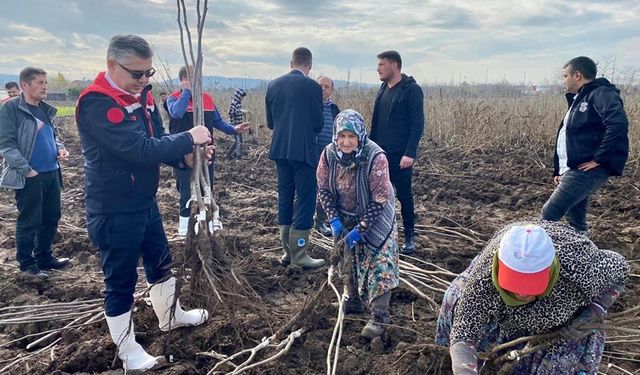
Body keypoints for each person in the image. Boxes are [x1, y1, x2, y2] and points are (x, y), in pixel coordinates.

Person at [76, 35, 212, 372]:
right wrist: (188, 137)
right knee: (120, 280)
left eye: (148, 73)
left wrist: (186, 159)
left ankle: (170, 316)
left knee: (159, 260)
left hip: (143, 200)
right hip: (114, 207)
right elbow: (137, 150)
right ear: (111, 66)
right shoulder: (98, 103)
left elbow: (156, 144)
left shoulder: (143, 98)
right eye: (136, 74)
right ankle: (129, 352)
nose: (143, 81)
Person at [435, 221, 629, 374]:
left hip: (559, 325)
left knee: (558, 365)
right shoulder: (484, 279)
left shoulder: (581, 268)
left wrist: (596, 309)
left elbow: (621, 270)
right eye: (514, 285)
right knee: (455, 296)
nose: (522, 294)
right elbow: (464, 335)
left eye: (531, 285)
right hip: (500, 311)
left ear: (550, 271)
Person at [317, 109, 399, 339]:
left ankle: (378, 317)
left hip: (376, 215)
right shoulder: (328, 154)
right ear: (335, 135)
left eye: (351, 136)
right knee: (347, 258)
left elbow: (381, 198)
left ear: (360, 136)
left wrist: (361, 229)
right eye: (342, 136)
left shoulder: (375, 156)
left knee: (379, 262)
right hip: (344, 214)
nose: (346, 142)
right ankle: (352, 299)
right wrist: (333, 219)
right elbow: (323, 189)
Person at [541, 56, 629, 236]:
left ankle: (534, 260)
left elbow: (618, 124)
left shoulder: (601, 93)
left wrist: (599, 159)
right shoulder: (579, 99)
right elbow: (569, 136)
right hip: (575, 168)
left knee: (548, 215)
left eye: (565, 76)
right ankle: (584, 258)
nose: (563, 80)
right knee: (576, 223)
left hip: (587, 170)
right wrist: (560, 170)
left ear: (578, 75)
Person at [0, 67, 70, 279]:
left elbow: (53, 137)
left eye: (46, 83)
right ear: (24, 85)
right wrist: (27, 170)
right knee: (30, 220)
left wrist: (60, 148)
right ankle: (27, 265)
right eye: (40, 83)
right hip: (30, 175)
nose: (45, 87)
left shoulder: (44, 109)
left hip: (51, 172)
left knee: (51, 217)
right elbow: (6, 145)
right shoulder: (12, 109)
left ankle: (44, 256)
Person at [166, 66, 250, 235]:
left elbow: (218, 122)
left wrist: (234, 129)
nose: (199, 82)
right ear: (184, 79)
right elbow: (176, 113)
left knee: (207, 187)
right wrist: (186, 92)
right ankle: (185, 228)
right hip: (184, 155)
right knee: (185, 191)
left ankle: (209, 222)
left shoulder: (207, 99)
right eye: (195, 78)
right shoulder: (173, 99)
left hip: (207, 154)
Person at [265, 47, 325, 269]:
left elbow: (271, 123)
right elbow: (318, 124)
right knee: (307, 199)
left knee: (285, 196)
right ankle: (300, 253)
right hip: (303, 151)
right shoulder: (312, 87)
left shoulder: (273, 85)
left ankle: (287, 252)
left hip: (280, 150)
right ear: (309, 65)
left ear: (291, 64)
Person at [369, 50, 424, 255]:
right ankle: (381, 232)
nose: (378, 69)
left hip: (401, 156)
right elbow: (376, 124)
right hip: (380, 155)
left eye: (381, 64)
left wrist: (410, 153)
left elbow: (417, 124)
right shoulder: (382, 90)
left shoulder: (411, 90)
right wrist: (370, 150)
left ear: (394, 65)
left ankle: (410, 236)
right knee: (379, 196)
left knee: (404, 196)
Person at [314, 76, 340, 236]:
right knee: (308, 188)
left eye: (326, 87)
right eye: (320, 86)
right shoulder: (309, 107)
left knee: (326, 189)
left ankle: (320, 221)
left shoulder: (334, 110)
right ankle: (302, 221)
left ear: (331, 90)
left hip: (329, 157)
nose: (323, 89)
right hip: (310, 154)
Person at [227, 87, 247, 159]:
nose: (242, 98)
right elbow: (230, 112)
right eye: (242, 97)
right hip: (234, 125)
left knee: (240, 141)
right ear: (238, 96)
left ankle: (236, 154)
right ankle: (236, 156)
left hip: (239, 125)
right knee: (238, 141)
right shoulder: (233, 103)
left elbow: (238, 111)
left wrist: (242, 111)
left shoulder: (238, 104)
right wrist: (241, 111)